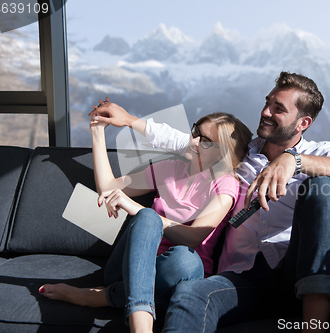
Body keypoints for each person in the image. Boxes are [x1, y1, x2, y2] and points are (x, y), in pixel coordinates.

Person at [87, 72, 330, 332]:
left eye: (278, 108)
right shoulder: (240, 154)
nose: (266, 112)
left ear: (303, 123)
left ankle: (313, 325)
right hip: (243, 278)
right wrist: (130, 119)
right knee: (190, 293)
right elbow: (186, 142)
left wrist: (295, 161)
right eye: (267, 102)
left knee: (322, 185)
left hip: (294, 269)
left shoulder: (319, 152)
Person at [39, 107, 253, 333]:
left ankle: (105, 296)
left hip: (176, 277)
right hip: (128, 267)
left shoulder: (226, 183)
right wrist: (97, 131)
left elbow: (194, 237)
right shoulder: (169, 168)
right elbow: (107, 187)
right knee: (148, 218)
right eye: (196, 132)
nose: (194, 141)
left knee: (185, 259)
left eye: (206, 141)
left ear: (223, 153)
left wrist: (135, 208)